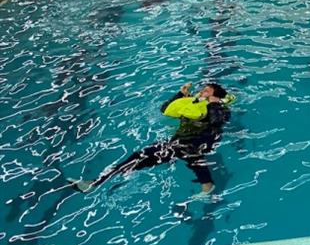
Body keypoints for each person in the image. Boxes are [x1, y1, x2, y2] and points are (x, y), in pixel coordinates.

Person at [71, 82, 231, 194]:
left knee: (192, 156)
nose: (201, 92)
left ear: (215, 97)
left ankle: (207, 185)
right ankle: (96, 182)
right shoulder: (192, 106)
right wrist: (180, 95)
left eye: (206, 91)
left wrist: (213, 103)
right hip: (178, 142)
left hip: (199, 143)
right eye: (202, 90)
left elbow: (217, 122)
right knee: (139, 156)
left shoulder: (219, 109)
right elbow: (166, 110)